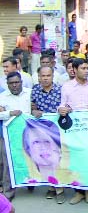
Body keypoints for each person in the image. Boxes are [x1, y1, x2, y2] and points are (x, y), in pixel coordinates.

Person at [58, 58, 88, 205]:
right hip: (74, 130)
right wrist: (61, 110)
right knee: (74, 160)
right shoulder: (66, 87)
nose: (86, 70)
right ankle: (79, 192)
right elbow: (62, 105)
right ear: (74, 70)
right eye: (83, 68)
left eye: (87, 68)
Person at [0, 72, 32, 200]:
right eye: (11, 83)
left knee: (29, 159)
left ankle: (31, 183)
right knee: (8, 163)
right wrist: (10, 113)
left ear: (21, 82)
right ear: (7, 85)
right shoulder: (2, 97)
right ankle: (8, 192)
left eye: (16, 82)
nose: (14, 85)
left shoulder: (29, 94)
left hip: (29, 134)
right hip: (9, 136)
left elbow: (35, 109)